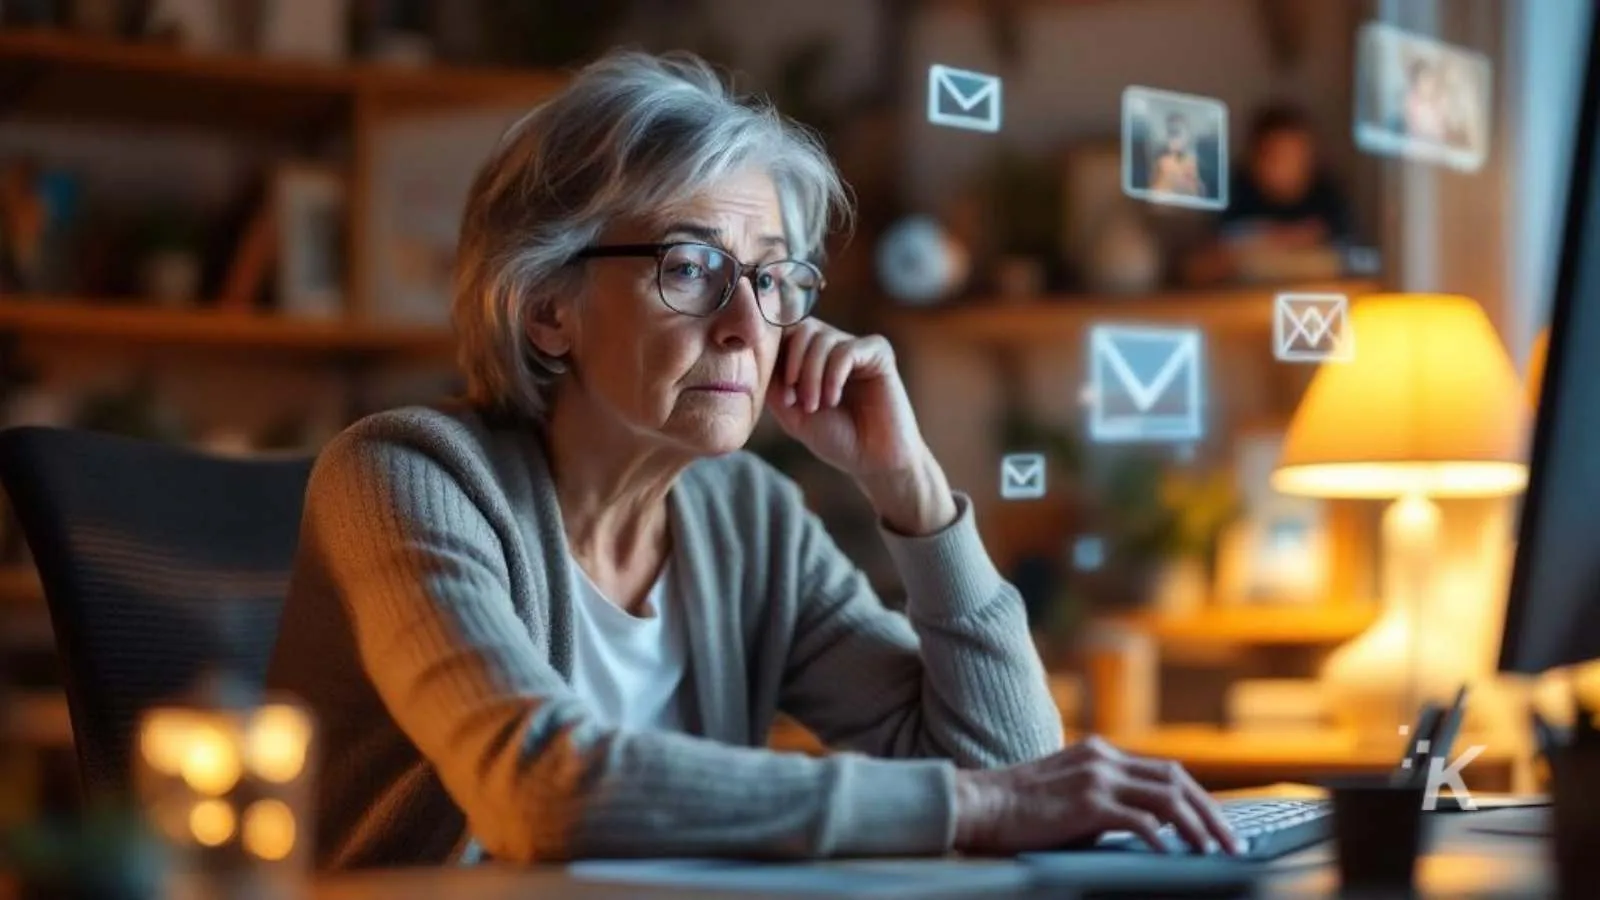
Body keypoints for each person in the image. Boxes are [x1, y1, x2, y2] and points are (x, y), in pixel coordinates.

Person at [266, 49, 1239, 870]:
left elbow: (1005, 759)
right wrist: (975, 808)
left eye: (773, 278)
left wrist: (912, 493)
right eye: (689, 269)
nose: (747, 325)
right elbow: (538, 788)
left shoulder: (750, 518)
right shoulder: (404, 478)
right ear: (547, 307)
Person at [1184, 103, 1351, 285]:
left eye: (1296, 158)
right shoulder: (1233, 194)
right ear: (1254, 158)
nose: (1286, 168)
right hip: (1244, 303)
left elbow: (1348, 260)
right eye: (1277, 157)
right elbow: (1197, 268)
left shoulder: (1327, 198)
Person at [1149, 111, 1205, 197]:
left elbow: (1198, 192)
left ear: (1187, 136)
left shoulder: (1192, 162)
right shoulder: (1162, 161)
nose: (1175, 138)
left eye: (1178, 133)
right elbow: (1152, 190)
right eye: (1171, 133)